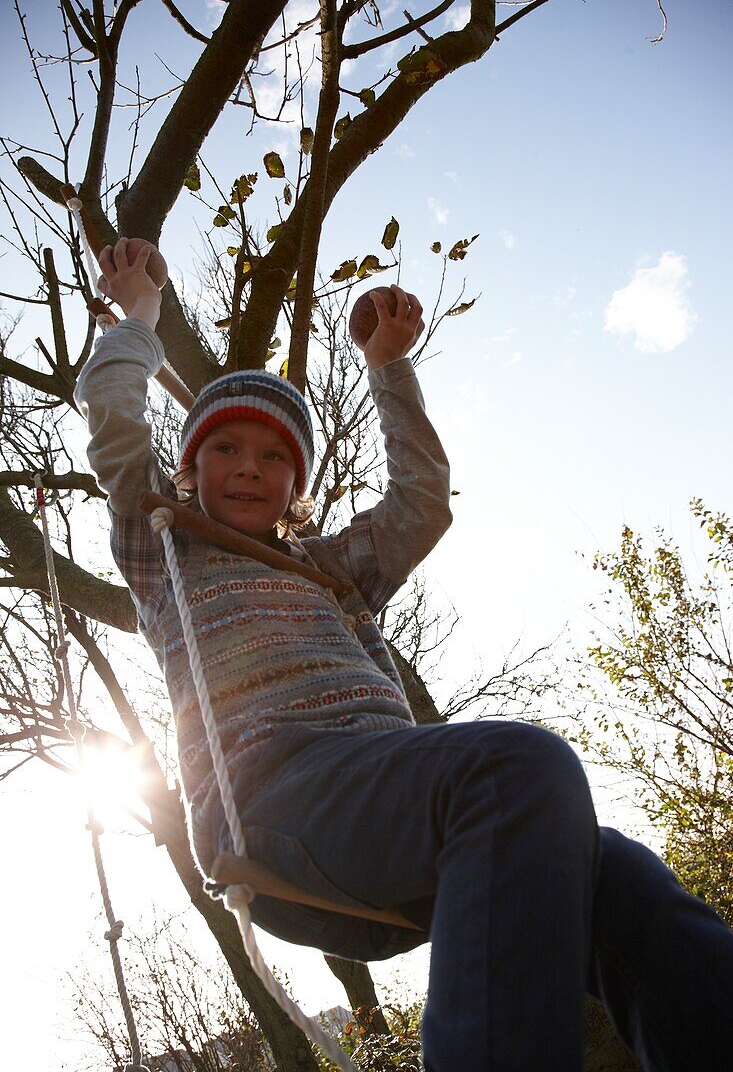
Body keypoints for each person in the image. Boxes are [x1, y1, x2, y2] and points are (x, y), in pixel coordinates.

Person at [75, 239, 733, 1072]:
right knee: (513, 767)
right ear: (188, 464)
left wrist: (387, 368)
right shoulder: (162, 546)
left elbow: (420, 503)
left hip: (392, 812)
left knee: (623, 879)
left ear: (297, 482)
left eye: (275, 455)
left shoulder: (329, 568)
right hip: (274, 799)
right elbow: (112, 411)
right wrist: (139, 316)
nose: (250, 467)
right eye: (226, 449)